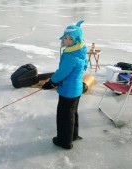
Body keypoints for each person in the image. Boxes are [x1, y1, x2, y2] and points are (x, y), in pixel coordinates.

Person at [42, 20, 88, 149]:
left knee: (64, 117)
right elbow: (84, 65)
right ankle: (73, 135)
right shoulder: (81, 50)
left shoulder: (70, 56)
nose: (66, 41)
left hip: (68, 91)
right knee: (72, 113)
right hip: (76, 89)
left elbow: (62, 73)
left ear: (76, 39)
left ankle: (64, 141)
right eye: (65, 38)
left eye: (70, 39)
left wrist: (51, 82)